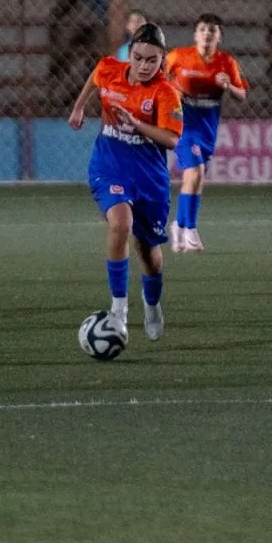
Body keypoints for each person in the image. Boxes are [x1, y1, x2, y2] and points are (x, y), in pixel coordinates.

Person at [68, 23, 183, 341]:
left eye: (152, 60)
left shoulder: (165, 93)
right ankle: (118, 311)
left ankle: (152, 305)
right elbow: (95, 75)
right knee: (120, 223)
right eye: (138, 57)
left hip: (149, 177)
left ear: (162, 59)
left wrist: (136, 124)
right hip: (110, 165)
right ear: (129, 54)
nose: (144, 66)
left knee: (148, 252)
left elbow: (171, 140)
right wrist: (79, 107)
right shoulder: (109, 68)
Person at [165, 13, 249, 252]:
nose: (207, 33)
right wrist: (172, 92)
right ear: (195, 34)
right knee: (195, 172)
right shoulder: (178, 57)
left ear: (219, 37)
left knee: (196, 179)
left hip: (207, 128)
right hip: (182, 125)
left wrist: (228, 86)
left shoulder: (226, 62)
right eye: (202, 29)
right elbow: (157, 80)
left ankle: (178, 225)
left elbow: (242, 94)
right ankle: (190, 229)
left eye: (212, 30)